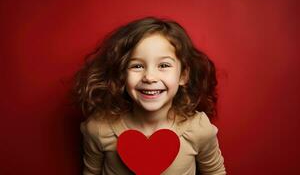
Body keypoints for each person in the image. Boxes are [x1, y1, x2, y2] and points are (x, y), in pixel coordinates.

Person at [72, 17, 226, 174]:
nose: (149, 77)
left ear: (183, 76)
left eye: (164, 65)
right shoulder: (99, 128)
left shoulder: (198, 129)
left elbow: (215, 172)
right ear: (121, 75)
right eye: (137, 66)